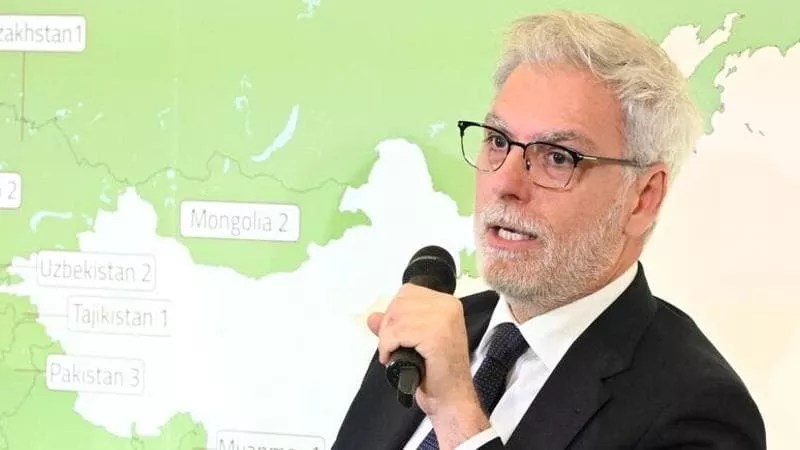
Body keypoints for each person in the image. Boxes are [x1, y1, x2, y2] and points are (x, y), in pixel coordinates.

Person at [332, 10, 766, 450]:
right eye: (498, 141)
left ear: (642, 198)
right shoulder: (425, 342)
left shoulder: (698, 410)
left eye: (558, 157)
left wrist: (457, 415)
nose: (505, 182)